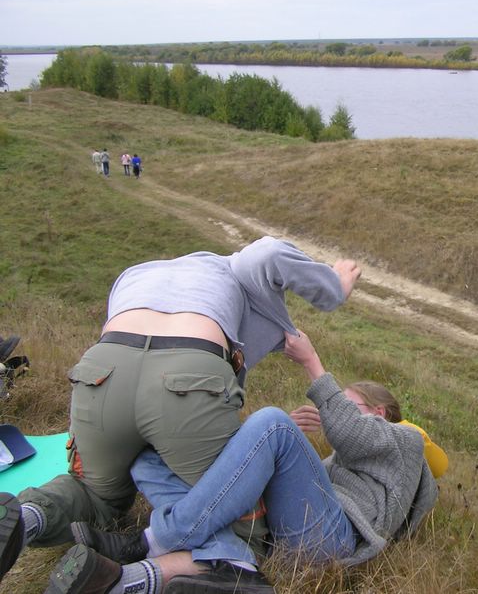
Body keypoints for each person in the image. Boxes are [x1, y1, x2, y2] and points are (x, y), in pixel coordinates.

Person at [0, 237, 362, 587]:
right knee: (235, 511)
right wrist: (336, 287)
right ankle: (221, 564)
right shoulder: (230, 267)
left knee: (94, 492)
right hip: (188, 375)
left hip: (103, 370)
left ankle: (28, 516)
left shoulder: (136, 274)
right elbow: (266, 254)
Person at [44, 331, 446, 594]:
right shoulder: (349, 458)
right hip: (293, 532)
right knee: (148, 460)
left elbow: (353, 434)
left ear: (378, 412)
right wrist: (285, 442)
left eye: (348, 403)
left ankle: (154, 540)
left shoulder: (406, 441)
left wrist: (312, 363)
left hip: (332, 542)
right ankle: (203, 563)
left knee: (270, 422)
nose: (333, 408)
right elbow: (309, 471)